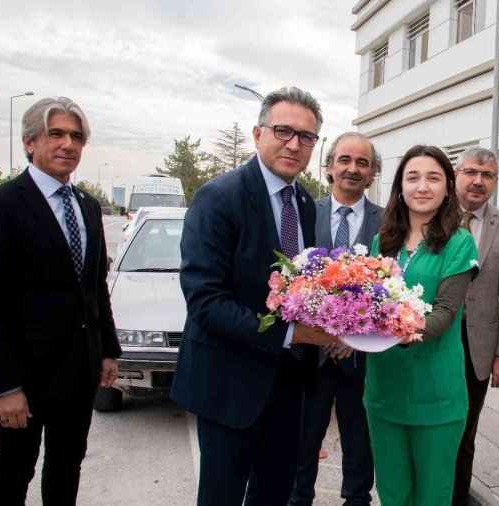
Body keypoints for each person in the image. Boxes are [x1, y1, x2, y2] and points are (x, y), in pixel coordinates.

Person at [170, 86, 341, 505]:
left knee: (275, 494)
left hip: (288, 386)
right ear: (257, 133)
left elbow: (300, 287)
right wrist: (294, 334)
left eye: (306, 137)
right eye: (283, 130)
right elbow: (206, 304)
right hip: (230, 383)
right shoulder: (218, 198)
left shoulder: (302, 200)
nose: (293, 143)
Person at [0, 97, 121, 505]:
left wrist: (107, 350)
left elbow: (94, 286)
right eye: (56, 134)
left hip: (78, 372)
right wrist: (3, 386)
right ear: (30, 143)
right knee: (11, 473)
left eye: (76, 136)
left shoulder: (87, 206)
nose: (68, 144)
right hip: (23, 379)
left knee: (66, 467)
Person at [366, 144, 479, 505]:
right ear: (400, 186)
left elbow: (445, 313)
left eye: (433, 178)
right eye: (412, 177)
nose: (422, 187)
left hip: (436, 393)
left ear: (448, 185)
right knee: (393, 492)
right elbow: (368, 304)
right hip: (385, 390)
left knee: (432, 494)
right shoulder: (381, 241)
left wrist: (392, 333)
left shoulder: (459, 242)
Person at [289, 132, 382, 506]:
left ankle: (356, 500)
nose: (353, 169)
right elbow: (293, 281)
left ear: (372, 172)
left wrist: (356, 335)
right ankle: (298, 499)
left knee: (360, 446)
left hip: (360, 360)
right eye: (345, 160)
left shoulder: (388, 221)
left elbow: (394, 286)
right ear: (329, 167)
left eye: (362, 162)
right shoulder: (302, 213)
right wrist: (321, 332)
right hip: (308, 357)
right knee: (302, 442)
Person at [450, 147, 499, 506]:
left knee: (465, 431)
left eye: (488, 175)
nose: (478, 180)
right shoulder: (432, 215)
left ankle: (458, 496)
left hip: (476, 347)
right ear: (456, 174)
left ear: (495, 180)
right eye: (471, 172)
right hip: (431, 340)